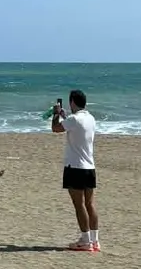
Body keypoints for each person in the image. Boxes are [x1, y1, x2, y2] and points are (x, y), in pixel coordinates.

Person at [52, 89, 100, 253]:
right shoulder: (90, 118)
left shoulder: (74, 119)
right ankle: (95, 240)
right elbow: (75, 126)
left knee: (79, 205)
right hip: (89, 167)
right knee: (90, 204)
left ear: (72, 102)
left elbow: (56, 128)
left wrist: (56, 114)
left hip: (75, 167)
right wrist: (65, 115)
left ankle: (85, 240)